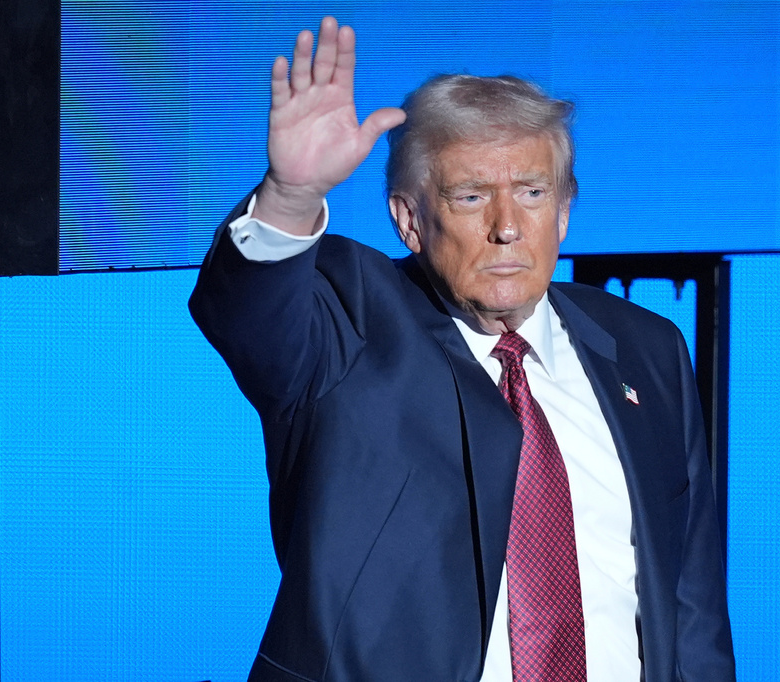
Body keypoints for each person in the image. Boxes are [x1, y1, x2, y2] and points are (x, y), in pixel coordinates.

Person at [189, 16, 735, 682]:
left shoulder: (646, 349)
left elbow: (693, 607)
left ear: (563, 211)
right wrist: (291, 196)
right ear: (410, 219)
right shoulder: (350, 320)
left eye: (532, 194)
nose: (508, 227)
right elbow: (248, 316)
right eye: (472, 196)